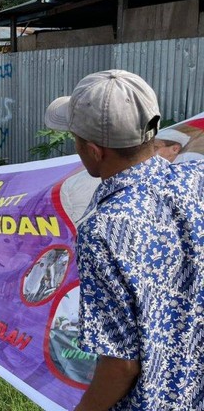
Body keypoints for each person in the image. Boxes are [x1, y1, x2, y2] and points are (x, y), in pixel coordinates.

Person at [45, 69, 204, 410]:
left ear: (93, 150)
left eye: (74, 139)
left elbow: (121, 365)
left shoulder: (101, 230)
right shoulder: (197, 179)